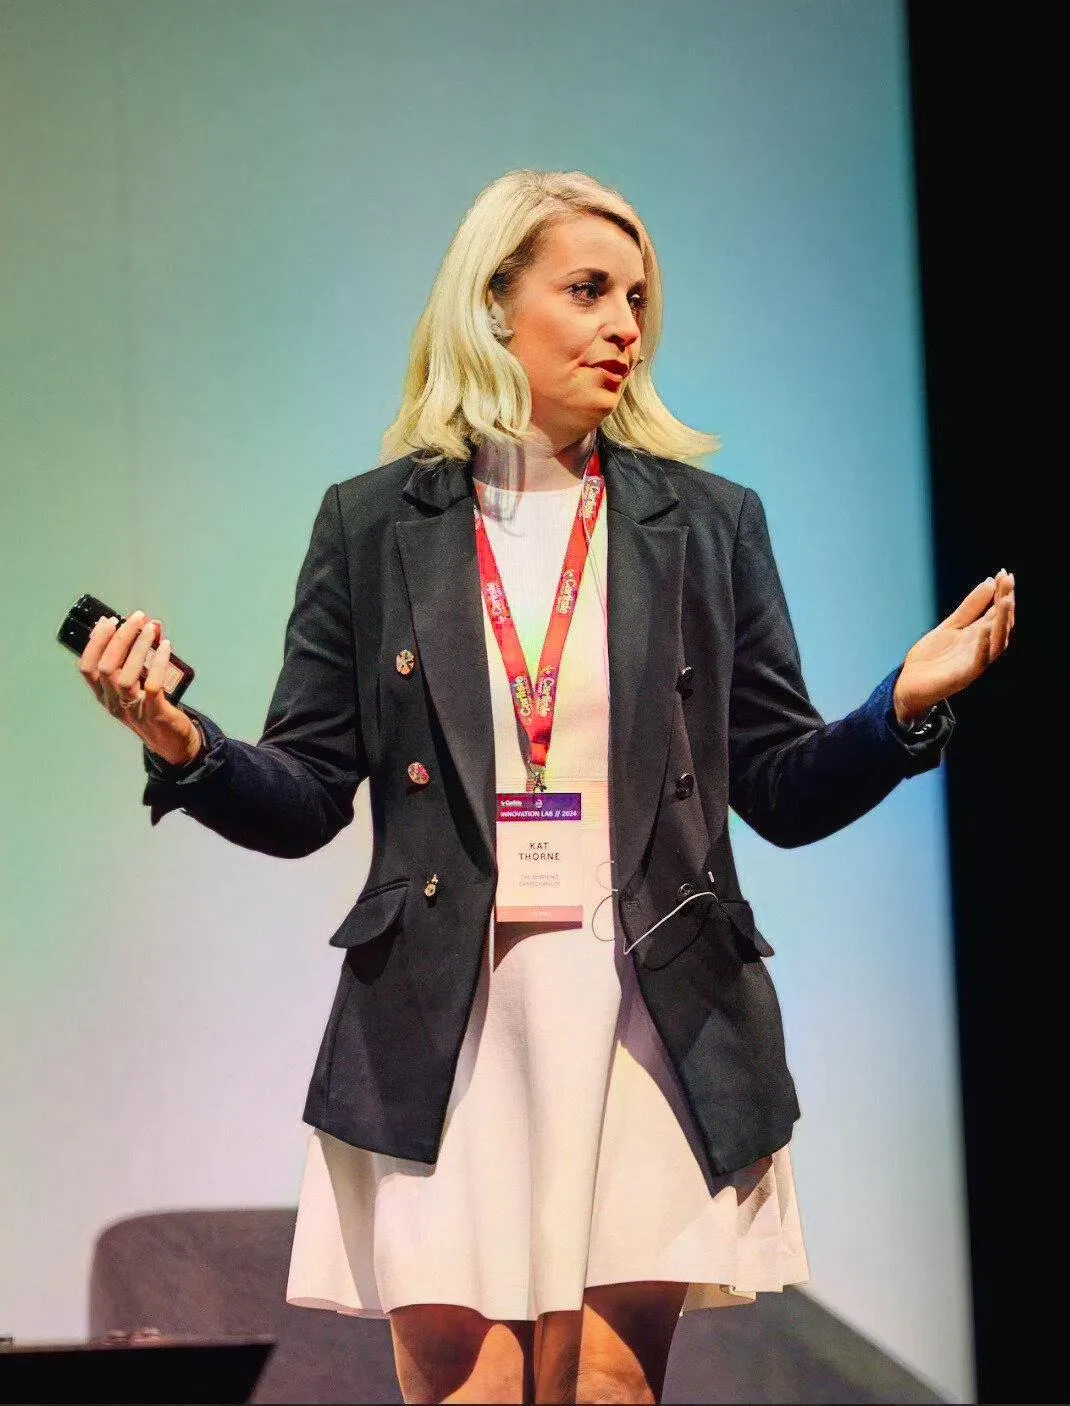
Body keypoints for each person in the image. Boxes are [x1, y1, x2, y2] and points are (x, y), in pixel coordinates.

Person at [75, 169, 1015, 1405]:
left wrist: (900, 706)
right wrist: (182, 740)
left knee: (609, 1391)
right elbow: (305, 794)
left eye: (636, 297)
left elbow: (779, 787)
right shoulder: (371, 525)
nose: (626, 322)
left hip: (648, 1007)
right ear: (491, 305)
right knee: (469, 1391)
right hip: (443, 1015)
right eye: (587, 290)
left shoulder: (705, 523)